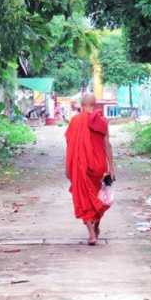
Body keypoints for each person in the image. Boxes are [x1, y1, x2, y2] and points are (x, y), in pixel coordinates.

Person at [65, 93, 115, 245]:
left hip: (81, 166)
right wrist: (111, 167)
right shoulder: (102, 120)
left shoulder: (75, 121)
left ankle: (91, 232)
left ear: (81, 104)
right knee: (103, 196)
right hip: (101, 166)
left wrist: (68, 166)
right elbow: (107, 145)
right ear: (95, 105)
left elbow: (70, 145)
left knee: (84, 197)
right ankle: (97, 226)